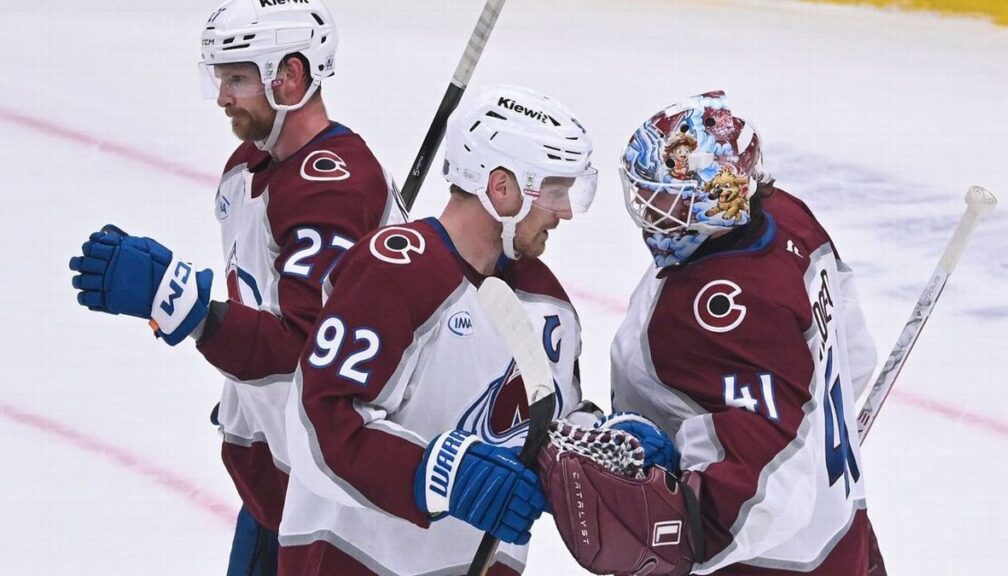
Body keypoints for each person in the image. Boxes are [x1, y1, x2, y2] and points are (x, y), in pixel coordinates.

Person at [68, 0, 404, 573]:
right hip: (281, 471)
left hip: (335, 500)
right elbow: (267, 306)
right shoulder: (247, 167)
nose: (223, 96)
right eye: (220, 78)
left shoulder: (334, 190)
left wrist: (184, 305)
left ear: (290, 76)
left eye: (238, 78)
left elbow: (306, 351)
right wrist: (247, 400)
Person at [538, 91, 887, 575]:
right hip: (838, 536)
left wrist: (679, 517)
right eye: (645, 193)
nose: (647, 209)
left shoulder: (716, 313)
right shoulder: (791, 220)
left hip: (767, 565)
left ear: (716, 199)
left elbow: (761, 497)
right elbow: (854, 356)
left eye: (664, 198)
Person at [276, 84, 600, 575]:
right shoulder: (395, 270)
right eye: (554, 191)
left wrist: (603, 442)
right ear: (502, 188)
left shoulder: (547, 301)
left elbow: (550, 420)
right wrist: (439, 474)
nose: (566, 210)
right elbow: (316, 431)